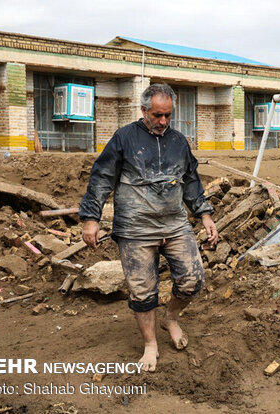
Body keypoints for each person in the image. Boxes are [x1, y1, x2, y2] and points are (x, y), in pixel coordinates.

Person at [79, 83, 218, 372]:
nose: (163, 121)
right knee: (142, 291)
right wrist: (91, 218)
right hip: (135, 228)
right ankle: (150, 345)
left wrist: (204, 214)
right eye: (157, 115)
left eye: (168, 115)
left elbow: (191, 180)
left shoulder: (179, 141)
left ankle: (171, 318)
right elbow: (101, 177)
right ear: (143, 110)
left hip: (175, 224)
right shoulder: (124, 138)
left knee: (192, 280)